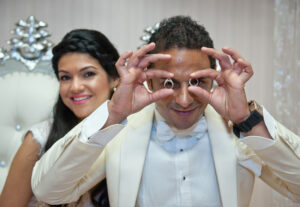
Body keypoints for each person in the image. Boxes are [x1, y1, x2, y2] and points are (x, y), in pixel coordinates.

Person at [32, 16, 300, 207]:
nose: (184, 100)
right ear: (149, 81)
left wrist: (246, 120)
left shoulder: (243, 134)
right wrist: (112, 114)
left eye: (196, 82)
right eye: (169, 83)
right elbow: (49, 191)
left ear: (214, 78)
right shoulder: (119, 136)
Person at [0, 29, 120, 207]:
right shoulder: (38, 140)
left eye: (88, 74)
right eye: (65, 77)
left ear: (115, 78)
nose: (75, 87)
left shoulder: (134, 133)